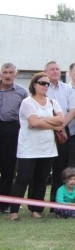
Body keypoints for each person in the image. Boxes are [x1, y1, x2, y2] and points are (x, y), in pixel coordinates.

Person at [9, 72, 64, 221]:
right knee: (23, 178)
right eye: (42, 83)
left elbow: (61, 120)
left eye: (47, 84)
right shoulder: (27, 102)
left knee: (41, 179)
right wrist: (52, 125)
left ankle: (36, 209)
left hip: (47, 148)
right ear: (34, 84)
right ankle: (14, 211)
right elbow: (33, 123)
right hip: (28, 147)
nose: (45, 86)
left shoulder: (53, 102)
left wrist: (42, 119)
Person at [45, 61, 75, 205]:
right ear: (45, 72)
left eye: (57, 69)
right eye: (52, 69)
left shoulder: (67, 88)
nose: (55, 71)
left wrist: (62, 124)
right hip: (45, 129)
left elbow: (73, 110)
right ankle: (37, 204)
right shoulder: (42, 87)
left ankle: (57, 203)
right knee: (44, 166)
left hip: (63, 130)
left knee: (61, 166)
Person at [0, 63, 28, 214]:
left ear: (15, 75)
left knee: (8, 169)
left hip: (11, 130)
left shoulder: (22, 92)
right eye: (5, 72)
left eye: (11, 72)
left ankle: (3, 204)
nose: (8, 75)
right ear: (1, 74)